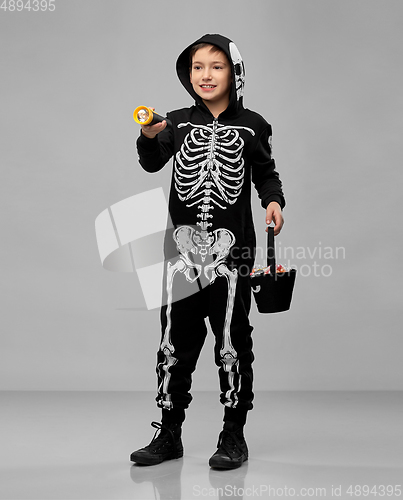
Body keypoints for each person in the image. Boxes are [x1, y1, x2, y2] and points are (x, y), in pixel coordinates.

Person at [130, 34, 285, 469]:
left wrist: (274, 201)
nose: (205, 75)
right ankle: (168, 434)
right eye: (197, 67)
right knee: (172, 343)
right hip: (180, 254)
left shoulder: (254, 125)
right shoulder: (177, 123)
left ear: (234, 74)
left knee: (231, 341)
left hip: (231, 254)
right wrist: (148, 135)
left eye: (215, 67)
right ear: (188, 74)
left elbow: (266, 173)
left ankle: (233, 435)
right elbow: (150, 162)